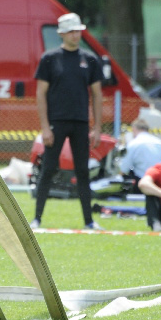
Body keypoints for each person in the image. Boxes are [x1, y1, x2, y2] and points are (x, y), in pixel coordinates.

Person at [31, 12, 105, 231]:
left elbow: (97, 94)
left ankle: (89, 221)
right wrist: (45, 127)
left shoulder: (90, 59)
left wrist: (98, 127)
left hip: (81, 122)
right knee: (48, 168)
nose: (76, 35)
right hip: (56, 122)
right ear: (62, 33)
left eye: (78, 30)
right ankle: (37, 218)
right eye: (71, 31)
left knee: (83, 171)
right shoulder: (50, 58)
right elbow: (40, 94)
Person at [119, 117, 161, 192]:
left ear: (134, 129)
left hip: (142, 182)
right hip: (160, 181)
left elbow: (123, 169)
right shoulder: (160, 142)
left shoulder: (133, 144)